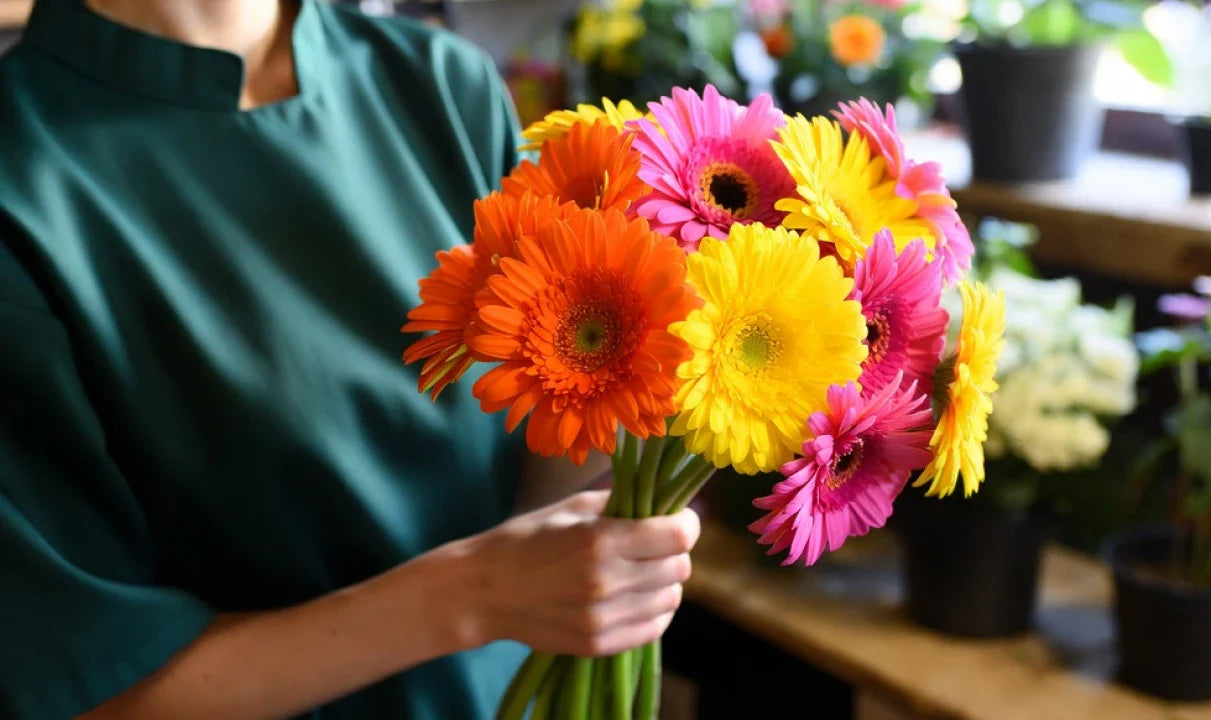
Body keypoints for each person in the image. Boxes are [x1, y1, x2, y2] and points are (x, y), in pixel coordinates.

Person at [0, 1, 699, 718]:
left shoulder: (439, 82)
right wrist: (470, 595)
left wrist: (663, 354)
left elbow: (528, 472)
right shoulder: (21, 187)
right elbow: (87, 687)